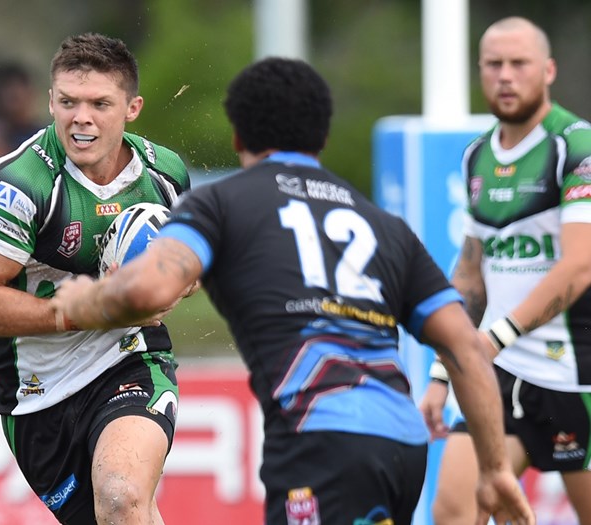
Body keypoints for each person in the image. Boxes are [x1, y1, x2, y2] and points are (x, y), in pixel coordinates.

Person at [51, 57, 535, 525]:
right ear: (321, 137)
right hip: (401, 446)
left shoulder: (222, 203)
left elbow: (148, 290)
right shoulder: (383, 226)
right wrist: (494, 468)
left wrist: (84, 303)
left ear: (238, 137)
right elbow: (465, 347)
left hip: (319, 438)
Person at [0, 33, 191, 524]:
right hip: (37, 398)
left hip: (128, 360)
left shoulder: (163, 174)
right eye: (69, 102)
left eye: (100, 104)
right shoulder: (20, 186)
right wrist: (79, 312)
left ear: (132, 108)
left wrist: (169, 284)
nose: (82, 118)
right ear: (50, 102)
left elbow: (196, 262)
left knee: (121, 495)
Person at [419, 16, 591, 524]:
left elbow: (580, 265)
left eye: (519, 63)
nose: (506, 76)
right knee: (453, 511)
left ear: (549, 70)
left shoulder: (576, 146)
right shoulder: (478, 155)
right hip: (500, 369)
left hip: (576, 374)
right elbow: (471, 274)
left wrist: (495, 337)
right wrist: (442, 371)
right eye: (494, 64)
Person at [0, 63, 47, 149]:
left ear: (31, 94)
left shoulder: (43, 138)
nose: (12, 93)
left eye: (16, 97)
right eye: (10, 96)